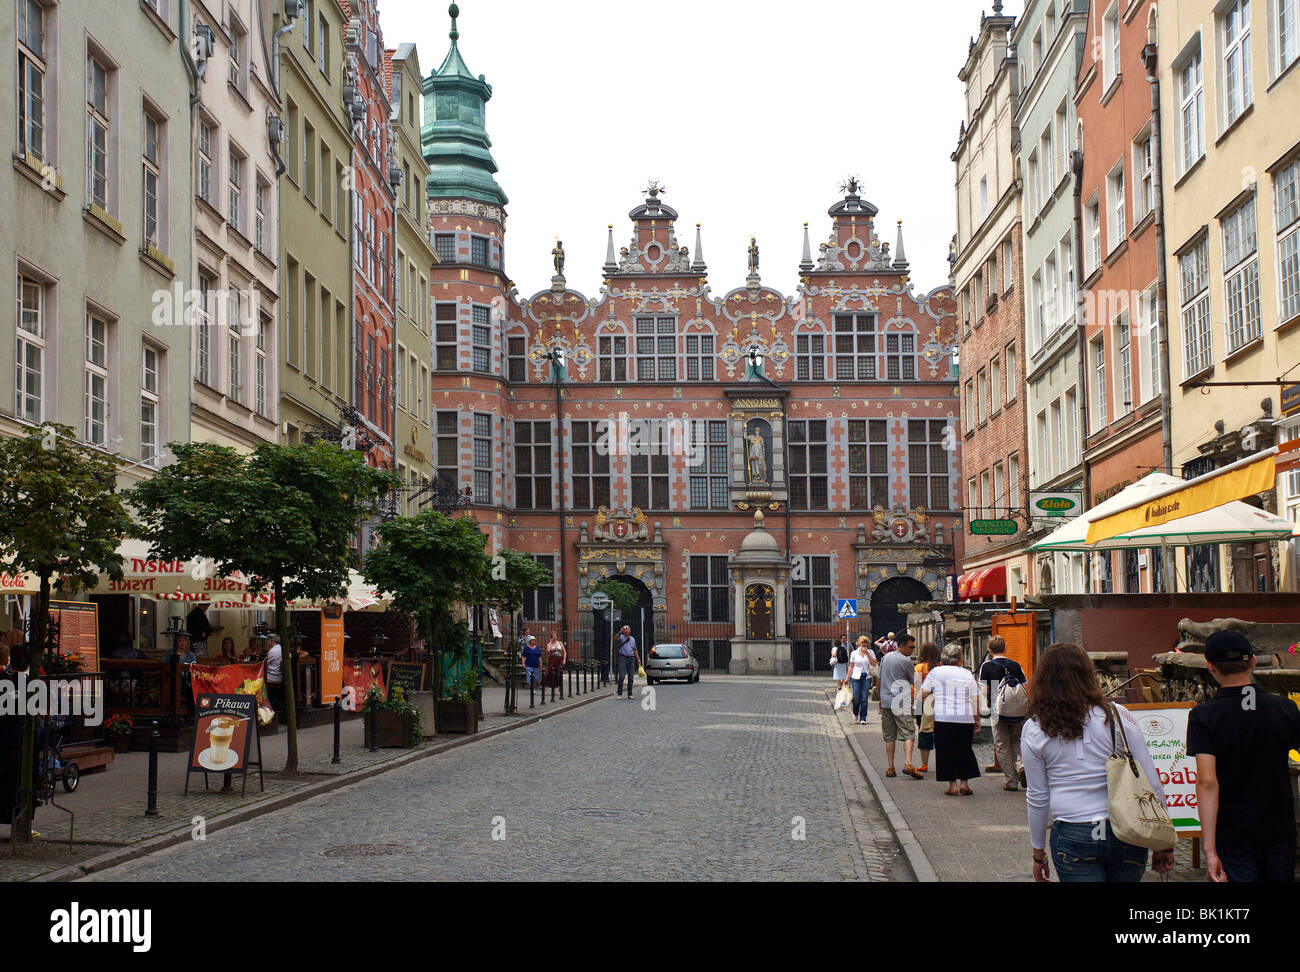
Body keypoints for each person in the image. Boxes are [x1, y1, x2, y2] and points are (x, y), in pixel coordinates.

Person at [1021, 642, 1175, 882]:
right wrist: (1163, 843)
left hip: (1073, 829)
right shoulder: (1118, 716)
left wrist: (1038, 852)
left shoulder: (1034, 728)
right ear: (1088, 676)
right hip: (1124, 830)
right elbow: (1151, 783)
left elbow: (1038, 796)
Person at [1188, 630, 1300, 882]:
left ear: (1210, 666)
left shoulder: (1203, 716)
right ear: (1252, 662)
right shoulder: (1285, 707)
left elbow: (1207, 782)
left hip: (1231, 830)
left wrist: (1209, 848)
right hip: (1278, 826)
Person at [921, 644, 980, 795]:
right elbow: (975, 699)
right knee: (965, 750)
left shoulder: (935, 672)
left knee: (945, 751)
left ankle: (952, 786)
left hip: (943, 717)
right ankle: (965, 784)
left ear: (944, 658)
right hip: (965, 717)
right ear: (960, 659)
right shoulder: (967, 674)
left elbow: (923, 693)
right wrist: (977, 720)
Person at [978, 635, 1029, 792]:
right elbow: (1025, 686)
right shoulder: (1015, 665)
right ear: (1005, 648)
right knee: (1017, 740)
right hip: (1017, 710)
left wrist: (983, 710)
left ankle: (1011, 781)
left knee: (1002, 745)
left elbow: (984, 690)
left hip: (997, 710)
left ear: (989, 650)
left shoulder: (986, 667)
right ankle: (1022, 766)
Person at [879, 633, 922, 778]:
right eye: (911, 647)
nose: (912, 650)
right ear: (901, 645)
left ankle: (890, 767)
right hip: (901, 702)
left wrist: (880, 696)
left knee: (889, 736)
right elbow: (914, 681)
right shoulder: (906, 661)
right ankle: (908, 763)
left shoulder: (885, 658)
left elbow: (879, 679)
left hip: (886, 701)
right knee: (908, 733)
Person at [913, 642, 940, 775]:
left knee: (923, 731)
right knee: (939, 731)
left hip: (922, 703)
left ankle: (924, 764)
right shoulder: (940, 667)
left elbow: (918, 688)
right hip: (938, 702)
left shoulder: (919, 667)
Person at [847, 637, 877, 725]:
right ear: (859, 645)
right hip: (856, 677)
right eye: (863, 645)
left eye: (866, 646)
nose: (864, 647)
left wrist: (868, 654)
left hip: (866, 677)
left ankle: (863, 717)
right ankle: (855, 712)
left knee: (864, 698)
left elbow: (874, 663)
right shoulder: (854, 653)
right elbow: (851, 666)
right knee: (856, 698)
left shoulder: (870, 652)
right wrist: (847, 678)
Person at [614, 626, 641, 700]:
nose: (627, 631)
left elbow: (635, 649)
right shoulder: (621, 637)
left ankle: (630, 694)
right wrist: (620, 631)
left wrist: (638, 659)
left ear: (630, 631)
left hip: (631, 658)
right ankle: (619, 694)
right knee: (621, 676)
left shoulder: (632, 639)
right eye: (625, 629)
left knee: (631, 677)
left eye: (628, 629)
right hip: (622, 658)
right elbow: (615, 638)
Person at [264, 634, 284, 718]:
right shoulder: (282, 649)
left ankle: (266, 705)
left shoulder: (273, 651)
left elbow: (265, 663)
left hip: (272, 678)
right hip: (280, 677)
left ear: (272, 641)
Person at [543, 633, 566, 702]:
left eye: (555, 636)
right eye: (553, 636)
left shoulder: (560, 643)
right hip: (552, 660)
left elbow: (564, 652)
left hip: (559, 659)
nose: (554, 637)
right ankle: (554, 689)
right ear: (551, 637)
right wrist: (550, 642)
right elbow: (548, 650)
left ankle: (559, 686)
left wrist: (564, 659)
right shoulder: (549, 644)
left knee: (559, 674)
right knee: (552, 674)